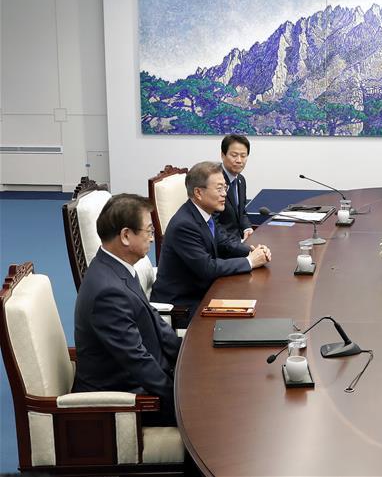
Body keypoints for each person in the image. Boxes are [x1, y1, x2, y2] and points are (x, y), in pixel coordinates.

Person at [73, 194, 181, 426]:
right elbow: (137, 361)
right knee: (214, 412)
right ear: (125, 235)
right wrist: (180, 396)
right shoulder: (107, 291)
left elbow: (154, 320)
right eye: (149, 231)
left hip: (148, 376)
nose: (152, 238)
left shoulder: (118, 267)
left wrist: (185, 357)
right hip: (125, 400)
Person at [151, 161, 271, 317]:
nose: (224, 194)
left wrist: (254, 251)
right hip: (183, 305)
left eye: (225, 188)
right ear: (199, 193)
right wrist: (250, 261)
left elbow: (224, 244)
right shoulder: (184, 225)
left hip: (203, 291)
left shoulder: (204, 213)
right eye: (219, 189)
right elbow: (207, 268)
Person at [217, 134, 253, 242]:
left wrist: (247, 228)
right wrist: (240, 247)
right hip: (222, 245)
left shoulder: (241, 180)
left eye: (243, 156)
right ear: (223, 155)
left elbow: (241, 212)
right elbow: (212, 224)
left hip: (238, 240)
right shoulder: (214, 181)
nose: (239, 160)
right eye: (234, 155)